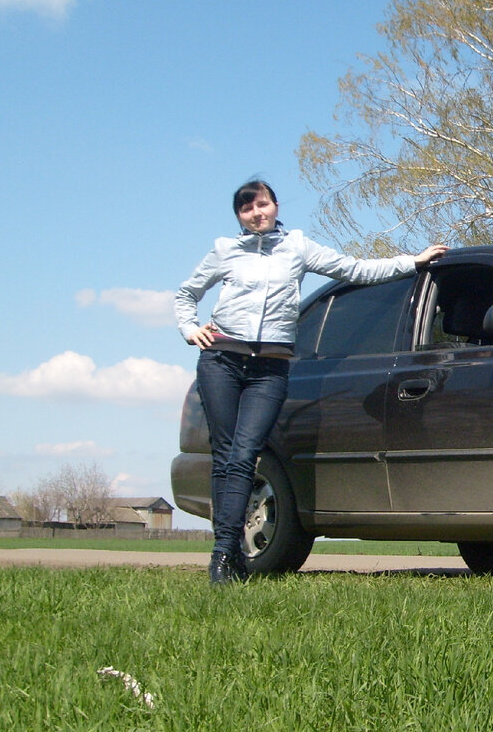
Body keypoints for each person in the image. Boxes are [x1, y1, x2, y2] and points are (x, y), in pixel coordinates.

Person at [175, 180, 447, 584]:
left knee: (246, 453)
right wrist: (189, 328)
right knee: (226, 453)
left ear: (274, 205)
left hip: (270, 367)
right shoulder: (225, 251)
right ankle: (223, 555)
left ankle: (227, 552)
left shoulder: (298, 246)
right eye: (247, 209)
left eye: (262, 204)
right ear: (239, 216)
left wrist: (413, 262)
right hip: (222, 361)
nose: (256, 213)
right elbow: (187, 292)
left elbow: (354, 269)